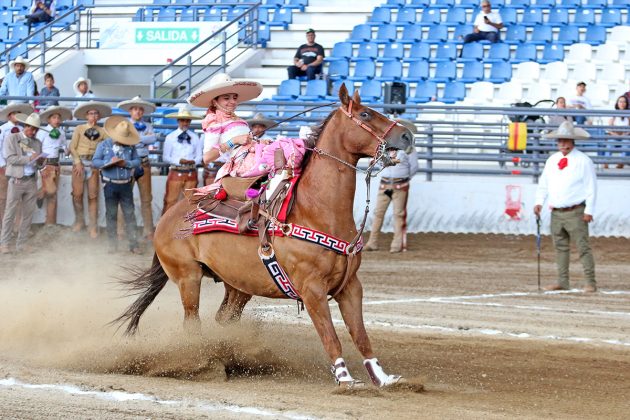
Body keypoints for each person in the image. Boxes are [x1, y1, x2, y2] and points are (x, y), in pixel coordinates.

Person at [534, 121, 597, 293]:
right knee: (560, 247)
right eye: (560, 140)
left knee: (583, 247)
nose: (562, 143)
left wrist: (589, 210)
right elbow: (544, 183)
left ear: (572, 141)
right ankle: (563, 281)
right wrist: (539, 201)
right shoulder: (552, 160)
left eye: (565, 140)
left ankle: (590, 281)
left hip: (575, 211)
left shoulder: (583, 161)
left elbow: (591, 187)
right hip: (556, 211)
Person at [187, 73, 262, 181]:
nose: (233, 101)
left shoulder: (240, 120)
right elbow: (207, 158)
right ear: (215, 102)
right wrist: (234, 141)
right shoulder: (215, 122)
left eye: (235, 98)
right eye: (226, 98)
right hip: (235, 173)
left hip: (252, 164)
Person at [365, 119, 419, 253]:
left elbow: (414, 167)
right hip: (388, 184)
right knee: (379, 213)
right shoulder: (385, 148)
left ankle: (395, 244)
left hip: (396, 184)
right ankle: (374, 242)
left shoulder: (409, 149)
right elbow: (377, 163)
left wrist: (404, 178)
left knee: (397, 214)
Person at [92, 116, 142, 254]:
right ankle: (112, 245)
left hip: (125, 184)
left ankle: (133, 244)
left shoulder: (131, 147)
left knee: (129, 214)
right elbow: (95, 161)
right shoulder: (103, 145)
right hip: (110, 184)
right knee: (111, 214)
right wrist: (107, 163)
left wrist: (126, 164)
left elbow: (137, 161)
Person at [0, 113, 46, 254]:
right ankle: (4, 244)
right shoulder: (12, 138)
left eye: (35, 129)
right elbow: (11, 159)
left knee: (28, 214)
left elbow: (39, 164)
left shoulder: (37, 142)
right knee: (10, 213)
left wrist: (40, 162)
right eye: (31, 128)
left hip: (31, 180)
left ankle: (22, 243)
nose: (32, 131)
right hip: (16, 180)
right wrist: (29, 158)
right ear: (25, 126)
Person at [69, 101, 111, 238]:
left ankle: (93, 227)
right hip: (79, 164)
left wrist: (100, 161)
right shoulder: (79, 129)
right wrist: (77, 162)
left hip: (93, 165)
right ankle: (79, 220)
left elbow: (108, 147)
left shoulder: (103, 132)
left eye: (95, 113)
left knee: (93, 196)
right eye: (91, 113)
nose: (93, 115)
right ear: (86, 115)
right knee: (77, 194)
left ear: (98, 116)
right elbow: (72, 146)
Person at [117, 96, 157, 240]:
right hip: (129, 165)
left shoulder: (148, 126)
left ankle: (148, 231)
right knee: (125, 198)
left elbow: (153, 138)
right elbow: (123, 140)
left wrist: (136, 139)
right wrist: (143, 139)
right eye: (135, 109)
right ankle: (121, 230)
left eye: (140, 109)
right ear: (130, 111)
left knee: (146, 199)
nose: (138, 112)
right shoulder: (124, 125)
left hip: (144, 163)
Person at [161, 106, 203, 214]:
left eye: (187, 120)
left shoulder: (195, 137)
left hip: (190, 171)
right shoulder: (170, 137)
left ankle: (185, 227)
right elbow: (165, 157)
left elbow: (199, 156)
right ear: (178, 121)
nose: (185, 123)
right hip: (176, 170)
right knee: (170, 200)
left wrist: (193, 161)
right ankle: (166, 226)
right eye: (183, 120)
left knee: (189, 201)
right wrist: (179, 161)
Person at [0, 103, 33, 231]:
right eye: (14, 114)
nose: (17, 116)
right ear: (9, 116)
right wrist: (3, 165)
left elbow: (25, 147)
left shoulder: (22, 130)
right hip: (4, 167)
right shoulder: (2, 130)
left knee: (18, 198)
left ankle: (17, 227)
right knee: (3, 198)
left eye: (19, 113)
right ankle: (3, 226)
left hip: (19, 168)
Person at [36, 105, 71, 226]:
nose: (57, 120)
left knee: (53, 195)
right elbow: (37, 147)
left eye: (58, 118)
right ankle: (39, 194)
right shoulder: (42, 131)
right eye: (54, 117)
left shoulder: (61, 132)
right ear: (49, 119)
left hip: (56, 163)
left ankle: (50, 222)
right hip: (47, 163)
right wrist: (41, 166)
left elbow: (64, 146)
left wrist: (66, 150)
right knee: (51, 190)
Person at [604, 95, 629, 170]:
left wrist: (624, 135)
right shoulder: (613, 114)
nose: (622, 103)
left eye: (624, 102)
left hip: (625, 135)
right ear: (617, 103)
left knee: (626, 142)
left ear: (626, 104)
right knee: (610, 142)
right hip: (614, 135)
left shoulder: (628, 115)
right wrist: (615, 135)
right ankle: (606, 162)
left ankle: (621, 162)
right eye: (620, 101)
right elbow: (609, 129)